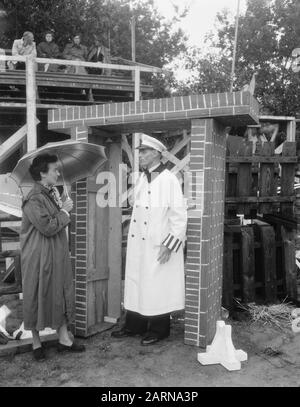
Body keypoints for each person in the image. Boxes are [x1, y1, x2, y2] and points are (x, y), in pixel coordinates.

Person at [111, 134, 187, 345]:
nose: (140, 156)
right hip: (139, 245)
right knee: (137, 283)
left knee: (156, 286)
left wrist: (169, 245)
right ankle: (134, 326)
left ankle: (159, 330)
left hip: (158, 245)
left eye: (144, 152)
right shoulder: (143, 178)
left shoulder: (170, 179)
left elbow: (179, 217)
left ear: (156, 154)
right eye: (140, 152)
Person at [20, 154, 85, 361]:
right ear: (42, 173)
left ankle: (64, 338)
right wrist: (65, 213)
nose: (58, 173)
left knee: (59, 292)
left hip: (55, 253)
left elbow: (55, 223)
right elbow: (47, 227)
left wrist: (63, 207)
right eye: (54, 170)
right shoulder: (33, 199)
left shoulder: (51, 194)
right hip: (38, 256)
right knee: (36, 294)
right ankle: (36, 342)